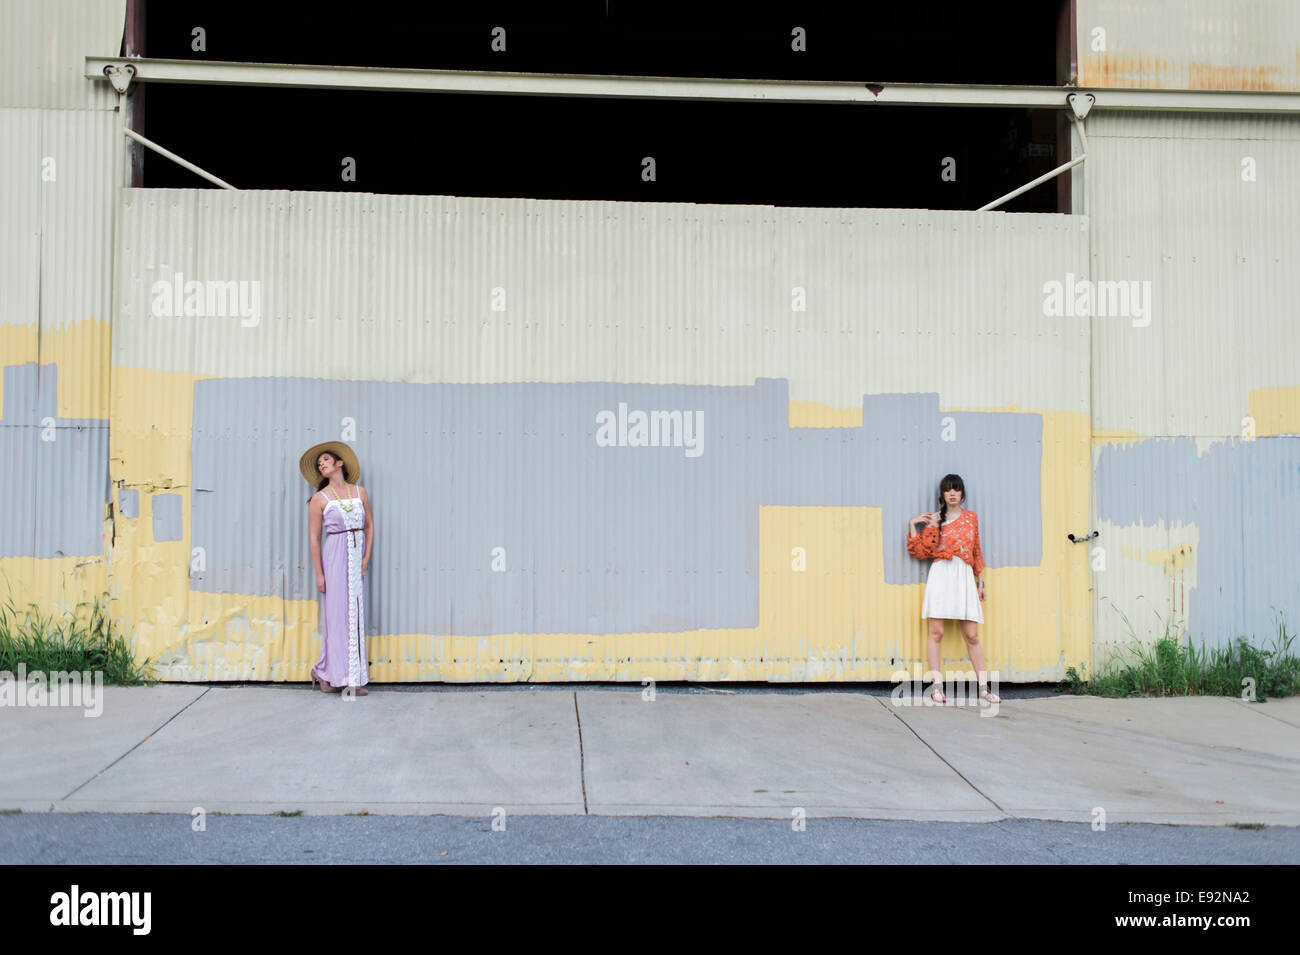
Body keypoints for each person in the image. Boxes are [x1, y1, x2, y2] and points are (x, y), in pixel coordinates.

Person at [906, 473, 1000, 704]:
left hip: (964, 576)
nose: (952, 493)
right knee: (936, 632)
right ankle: (937, 687)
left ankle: (984, 689)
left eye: (956, 489)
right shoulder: (936, 519)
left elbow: (976, 550)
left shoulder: (970, 518)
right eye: (948, 490)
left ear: (962, 493)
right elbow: (921, 552)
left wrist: (980, 583)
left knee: (972, 635)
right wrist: (914, 525)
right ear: (942, 494)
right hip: (941, 575)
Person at [300, 441, 373, 697]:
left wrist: (365, 559)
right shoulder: (319, 499)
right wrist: (319, 574)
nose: (322, 464)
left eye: (326, 460)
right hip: (334, 557)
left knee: (354, 616)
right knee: (336, 618)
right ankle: (331, 674)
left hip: (356, 558)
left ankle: (345, 677)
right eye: (319, 464)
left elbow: (369, 527)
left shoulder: (359, 492)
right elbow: (314, 539)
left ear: (339, 463)